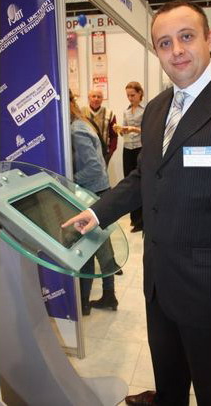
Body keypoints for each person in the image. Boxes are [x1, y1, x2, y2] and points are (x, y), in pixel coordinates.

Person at [62, 1, 211, 406]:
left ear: (209, 39)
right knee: (169, 381)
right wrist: (96, 212)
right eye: (164, 43)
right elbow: (145, 176)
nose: (176, 50)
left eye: (186, 37)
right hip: (159, 282)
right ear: (156, 51)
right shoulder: (158, 109)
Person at [68, 90, 120, 315]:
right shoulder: (83, 122)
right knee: (100, 245)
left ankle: (84, 302)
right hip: (98, 191)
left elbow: (93, 168)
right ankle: (107, 296)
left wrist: (67, 181)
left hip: (91, 193)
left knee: (88, 248)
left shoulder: (76, 129)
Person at [115, 81, 145, 233]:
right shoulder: (126, 112)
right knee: (129, 181)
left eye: (133, 95)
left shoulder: (145, 110)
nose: (130, 98)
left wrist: (134, 129)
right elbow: (123, 131)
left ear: (140, 94)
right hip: (127, 148)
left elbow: (148, 130)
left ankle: (142, 221)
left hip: (140, 148)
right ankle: (134, 219)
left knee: (141, 182)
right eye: (128, 96)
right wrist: (120, 130)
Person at [81, 89, 118, 165]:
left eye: (99, 97)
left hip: (103, 153)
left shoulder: (109, 114)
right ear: (89, 98)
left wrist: (110, 152)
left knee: (102, 172)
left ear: (102, 99)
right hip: (85, 152)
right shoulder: (81, 112)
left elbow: (114, 135)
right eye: (93, 96)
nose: (96, 99)